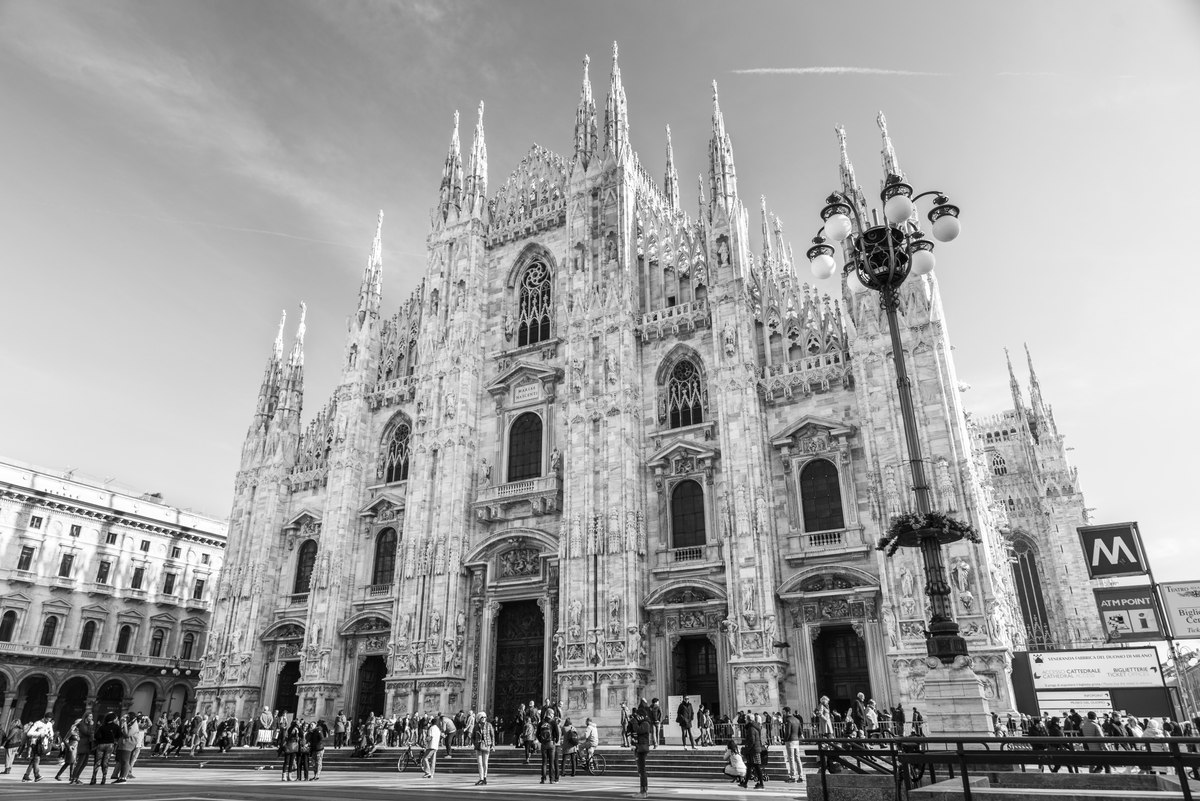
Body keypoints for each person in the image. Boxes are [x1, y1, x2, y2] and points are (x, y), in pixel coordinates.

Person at [627, 703, 654, 799]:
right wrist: (631, 722)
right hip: (639, 747)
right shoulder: (642, 722)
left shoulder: (646, 724)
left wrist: (634, 722)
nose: (637, 717)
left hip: (642, 748)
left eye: (638, 716)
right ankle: (643, 790)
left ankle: (644, 791)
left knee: (642, 771)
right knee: (640, 770)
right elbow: (630, 730)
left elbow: (638, 730)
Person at [21, 713, 54, 782]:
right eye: (47, 719)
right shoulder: (37, 723)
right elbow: (29, 733)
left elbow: (51, 732)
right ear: (44, 717)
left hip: (43, 743)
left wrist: (50, 736)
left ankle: (26, 776)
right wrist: (40, 734)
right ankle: (37, 775)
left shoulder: (49, 724)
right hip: (36, 743)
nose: (48, 721)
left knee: (34, 760)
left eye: (50, 719)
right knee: (37, 758)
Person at [740, 711, 765, 789]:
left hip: (753, 750)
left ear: (749, 720)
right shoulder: (755, 726)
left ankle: (761, 783)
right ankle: (745, 783)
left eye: (746, 719)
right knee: (750, 766)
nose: (745, 721)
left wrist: (747, 749)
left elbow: (752, 741)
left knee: (757, 767)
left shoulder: (751, 728)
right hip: (755, 749)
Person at [110, 713, 137, 784]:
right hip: (122, 744)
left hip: (128, 744)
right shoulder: (129, 724)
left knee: (125, 761)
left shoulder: (134, 725)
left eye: (127, 717)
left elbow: (127, 734)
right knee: (122, 761)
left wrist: (124, 723)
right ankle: (121, 777)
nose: (125, 719)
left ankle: (123, 778)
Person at [70, 712, 95, 784]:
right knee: (80, 763)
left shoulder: (88, 724)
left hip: (87, 744)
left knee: (84, 763)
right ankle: (73, 778)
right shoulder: (82, 724)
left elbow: (91, 733)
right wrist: (91, 726)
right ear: (86, 717)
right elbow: (87, 732)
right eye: (90, 716)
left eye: (92, 716)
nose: (91, 718)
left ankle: (76, 778)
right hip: (83, 744)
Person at [782, 706, 805, 784]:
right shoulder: (797, 719)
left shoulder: (788, 720)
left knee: (791, 758)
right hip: (796, 740)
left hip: (790, 740)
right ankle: (801, 776)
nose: (783, 714)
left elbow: (788, 732)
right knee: (798, 758)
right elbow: (800, 731)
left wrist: (785, 740)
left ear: (787, 712)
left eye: (783, 712)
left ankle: (792, 776)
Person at [537, 709, 560, 784]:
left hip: (543, 744)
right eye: (553, 713)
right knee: (551, 762)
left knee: (544, 762)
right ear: (550, 714)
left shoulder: (541, 723)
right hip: (551, 743)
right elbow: (557, 733)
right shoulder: (553, 722)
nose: (553, 715)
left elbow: (537, 734)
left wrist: (541, 740)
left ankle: (543, 779)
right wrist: (555, 741)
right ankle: (551, 779)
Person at [472, 711, 494, 785]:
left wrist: (492, 746)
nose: (484, 718)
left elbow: (492, 735)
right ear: (479, 718)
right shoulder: (476, 727)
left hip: (487, 745)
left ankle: (484, 777)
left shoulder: (489, 725)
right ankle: (481, 778)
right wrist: (475, 743)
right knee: (479, 763)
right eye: (482, 717)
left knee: (485, 763)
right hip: (478, 746)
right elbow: (472, 736)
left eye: (485, 717)